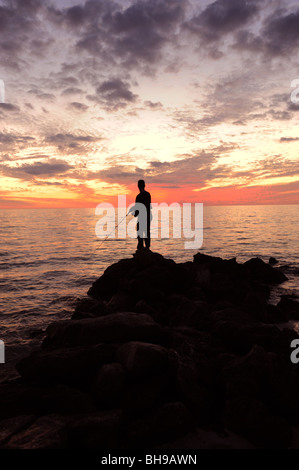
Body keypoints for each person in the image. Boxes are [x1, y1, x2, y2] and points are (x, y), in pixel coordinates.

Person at [129, 180, 152, 250]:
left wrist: (135, 214)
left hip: (142, 217)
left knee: (140, 231)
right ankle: (147, 247)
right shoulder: (148, 194)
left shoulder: (138, 196)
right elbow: (148, 205)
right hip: (148, 215)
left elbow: (137, 209)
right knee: (147, 231)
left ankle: (140, 246)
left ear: (138, 186)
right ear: (144, 185)